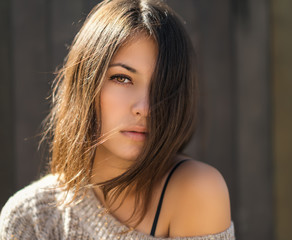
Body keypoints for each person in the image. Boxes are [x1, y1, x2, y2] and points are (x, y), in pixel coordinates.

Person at [0, 0, 235, 239]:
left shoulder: (196, 190)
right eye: (122, 78)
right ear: (85, 82)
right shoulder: (30, 219)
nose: (145, 108)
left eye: (163, 87)